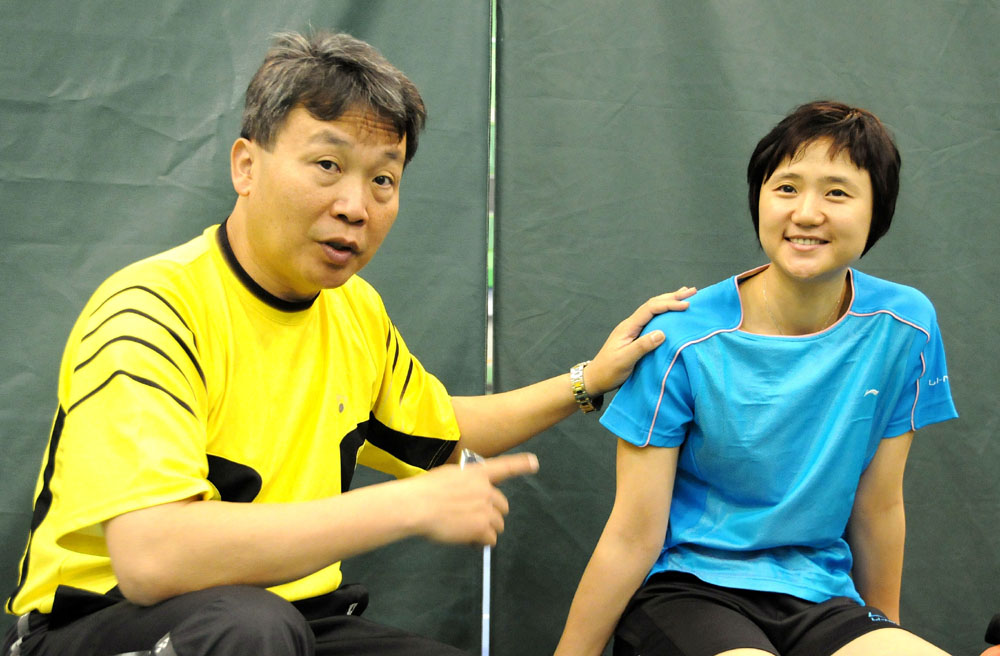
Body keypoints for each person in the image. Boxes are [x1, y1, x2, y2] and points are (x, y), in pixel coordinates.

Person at [1, 31, 695, 656]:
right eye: (327, 165)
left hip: (295, 620)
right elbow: (151, 557)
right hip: (108, 623)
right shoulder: (151, 309)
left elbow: (443, 433)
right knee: (249, 629)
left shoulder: (354, 311)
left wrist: (589, 380)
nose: (356, 206)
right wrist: (404, 508)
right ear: (246, 166)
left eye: (383, 179)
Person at [554, 100, 958, 656]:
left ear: (876, 212)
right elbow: (632, 534)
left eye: (837, 193)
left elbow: (879, 505)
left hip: (821, 594)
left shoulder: (906, 325)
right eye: (786, 188)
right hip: (689, 590)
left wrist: (883, 629)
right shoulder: (678, 337)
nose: (807, 213)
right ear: (759, 200)